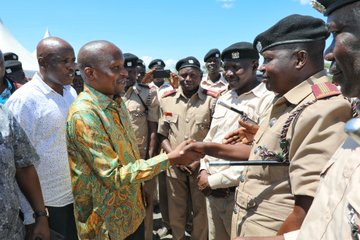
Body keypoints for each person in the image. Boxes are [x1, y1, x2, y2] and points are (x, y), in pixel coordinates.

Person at [182, 14, 351, 238]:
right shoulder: (287, 100)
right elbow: (265, 157)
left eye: (268, 59)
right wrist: (206, 148)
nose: (262, 68)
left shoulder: (322, 108)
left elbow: (309, 208)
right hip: (249, 220)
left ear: (299, 59)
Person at [67, 40, 202, 240]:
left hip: (133, 212)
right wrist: (171, 159)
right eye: (116, 68)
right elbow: (113, 176)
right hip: (108, 225)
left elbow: (129, 157)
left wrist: (141, 191)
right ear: (90, 73)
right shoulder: (85, 115)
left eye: (123, 66)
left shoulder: (116, 101)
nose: (125, 73)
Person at [198, 42, 274, 240]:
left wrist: (212, 181)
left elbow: (262, 154)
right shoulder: (224, 98)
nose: (229, 73)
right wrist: (203, 170)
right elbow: (210, 139)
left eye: (236, 67)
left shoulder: (268, 100)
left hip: (241, 195)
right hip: (211, 193)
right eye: (226, 68)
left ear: (255, 65)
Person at [5, 37, 78, 240]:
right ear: (43, 62)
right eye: (65, 61)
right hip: (46, 205)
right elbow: (19, 165)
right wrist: (34, 216)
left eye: (73, 60)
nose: (72, 67)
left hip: (74, 197)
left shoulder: (70, 93)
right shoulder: (23, 101)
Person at [157, 56, 218, 240]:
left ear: (200, 76)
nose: (188, 79)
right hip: (174, 167)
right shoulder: (167, 100)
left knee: (201, 211)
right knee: (176, 209)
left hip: (201, 167)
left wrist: (198, 161)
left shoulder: (212, 101)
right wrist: (173, 156)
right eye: (184, 75)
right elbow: (162, 134)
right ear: (178, 76)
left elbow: (217, 137)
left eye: (192, 75)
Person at [122, 52, 160, 240]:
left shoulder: (147, 93)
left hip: (142, 161)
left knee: (146, 204)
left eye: (132, 71)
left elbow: (154, 128)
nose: (128, 75)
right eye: (124, 70)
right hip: (119, 165)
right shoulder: (108, 93)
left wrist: (150, 160)